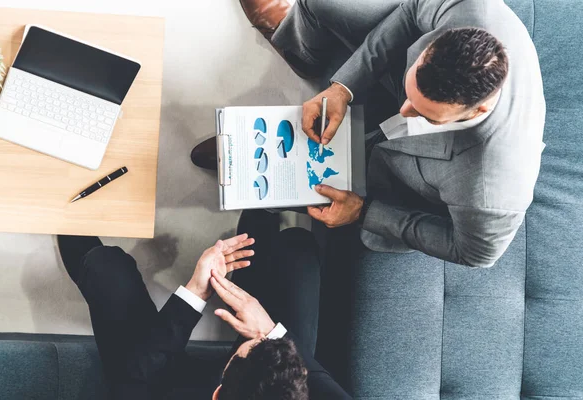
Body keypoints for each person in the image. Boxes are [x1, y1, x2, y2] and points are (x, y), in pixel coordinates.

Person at [192, 0, 546, 268]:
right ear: (434, 46)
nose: (403, 111)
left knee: (302, 181)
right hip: (390, 81)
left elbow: (476, 253)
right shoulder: (471, 7)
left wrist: (365, 212)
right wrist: (343, 88)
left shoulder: (494, 190)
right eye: (411, 95)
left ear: (479, 110)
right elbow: (409, 12)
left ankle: (255, 171)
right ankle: (299, 47)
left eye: (424, 115)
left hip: (402, 179)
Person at [56, 210, 351, 399]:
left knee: (105, 268)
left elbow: (134, 380)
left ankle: (62, 210)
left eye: (253, 343)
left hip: (160, 390)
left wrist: (195, 293)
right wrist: (269, 329)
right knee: (297, 251)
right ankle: (257, 205)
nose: (257, 336)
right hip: (261, 387)